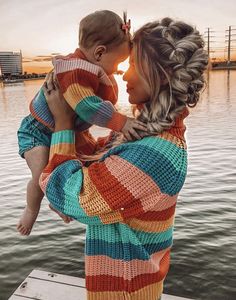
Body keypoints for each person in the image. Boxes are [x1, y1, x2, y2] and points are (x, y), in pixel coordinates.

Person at [40, 17, 208, 300]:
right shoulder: (146, 135)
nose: (124, 76)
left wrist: (62, 124)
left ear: (160, 75)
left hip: (125, 293)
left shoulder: (155, 155)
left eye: (134, 66)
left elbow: (70, 195)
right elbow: (90, 158)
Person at [17, 10, 147, 235]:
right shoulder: (75, 70)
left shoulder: (89, 68)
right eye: (118, 62)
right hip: (36, 131)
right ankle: (31, 209)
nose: (119, 69)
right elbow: (87, 106)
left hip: (70, 130)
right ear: (99, 53)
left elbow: (95, 106)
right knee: (40, 175)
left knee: (85, 163)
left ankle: (62, 201)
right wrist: (122, 122)